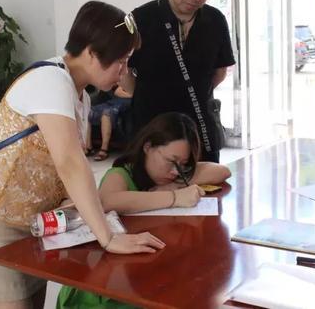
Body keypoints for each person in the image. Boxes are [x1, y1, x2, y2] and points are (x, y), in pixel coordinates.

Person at [0, 1, 165, 309]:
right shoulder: (50, 81)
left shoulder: (80, 97)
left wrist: (88, 215)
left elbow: (66, 168)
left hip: (33, 224)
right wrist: (108, 237)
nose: (124, 71)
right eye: (121, 60)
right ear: (91, 53)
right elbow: (69, 163)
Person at [56, 112, 231, 308]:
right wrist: (173, 197)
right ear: (148, 147)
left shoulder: (173, 177)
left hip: (147, 275)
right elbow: (107, 201)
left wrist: (179, 181)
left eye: (183, 165)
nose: (175, 171)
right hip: (102, 288)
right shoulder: (121, 173)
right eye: (172, 161)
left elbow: (222, 171)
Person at [120, 0, 236, 163]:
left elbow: (220, 72)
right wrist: (148, 95)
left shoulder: (215, 20)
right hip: (151, 129)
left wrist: (193, 91)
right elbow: (122, 70)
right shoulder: (141, 18)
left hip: (199, 129)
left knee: (206, 183)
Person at [85, 84, 132, 161]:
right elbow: (117, 91)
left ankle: (104, 149)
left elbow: (120, 92)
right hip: (112, 101)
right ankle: (88, 147)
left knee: (106, 113)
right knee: (87, 111)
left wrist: (131, 95)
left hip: (124, 103)